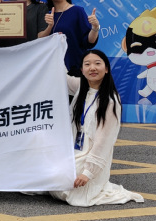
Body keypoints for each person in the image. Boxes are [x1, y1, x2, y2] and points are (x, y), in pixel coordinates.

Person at [50, 49, 144, 206]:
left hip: (90, 157)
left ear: (106, 69)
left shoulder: (110, 100)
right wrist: (54, 49)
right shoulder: (82, 87)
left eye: (97, 63)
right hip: (74, 150)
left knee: (66, 185)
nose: (92, 68)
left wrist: (88, 173)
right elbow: (61, 78)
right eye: (87, 64)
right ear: (82, 70)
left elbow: (104, 142)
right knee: (47, 171)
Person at [43, 0, 99, 75]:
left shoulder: (77, 11)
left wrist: (95, 27)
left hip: (73, 71)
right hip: (50, 72)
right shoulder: (44, 13)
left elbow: (88, 42)